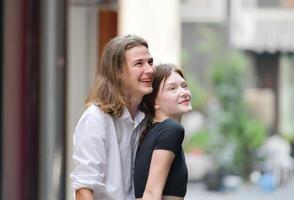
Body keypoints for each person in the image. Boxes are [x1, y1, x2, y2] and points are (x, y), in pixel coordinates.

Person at [71, 34, 155, 200]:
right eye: (139, 63)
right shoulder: (96, 119)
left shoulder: (147, 118)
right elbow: (84, 187)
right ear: (117, 72)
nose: (150, 70)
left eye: (150, 62)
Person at [134, 64, 192, 200]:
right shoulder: (171, 130)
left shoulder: (153, 131)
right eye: (172, 88)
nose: (184, 92)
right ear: (154, 102)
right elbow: (151, 193)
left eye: (184, 86)